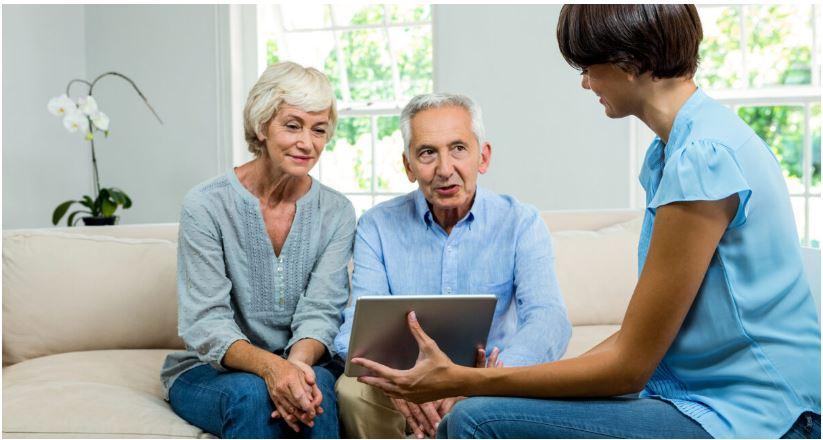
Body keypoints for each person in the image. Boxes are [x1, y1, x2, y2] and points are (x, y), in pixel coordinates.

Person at [351, 5, 821, 439]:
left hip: (759, 411)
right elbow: (636, 340)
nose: (585, 84)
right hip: (697, 396)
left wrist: (468, 382)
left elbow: (630, 366)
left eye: (587, 67)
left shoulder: (702, 157)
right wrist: (481, 382)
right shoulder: (674, 150)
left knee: (479, 419)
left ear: (629, 61)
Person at [333, 93, 572, 439]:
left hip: (489, 380)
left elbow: (550, 320)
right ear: (408, 166)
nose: (445, 170)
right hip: (402, 378)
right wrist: (401, 386)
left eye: (458, 148)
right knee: (352, 391)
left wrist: (477, 382)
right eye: (428, 153)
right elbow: (356, 329)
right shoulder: (377, 226)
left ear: (483, 156)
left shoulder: (520, 222)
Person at [160, 61, 356, 439]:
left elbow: (323, 309)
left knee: (319, 397)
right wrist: (271, 369)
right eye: (293, 125)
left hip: (302, 361)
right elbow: (206, 322)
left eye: (319, 130)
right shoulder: (205, 205)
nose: (307, 143)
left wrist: (295, 367)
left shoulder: (337, 211)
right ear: (262, 125)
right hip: (212, 371)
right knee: (253, 397)